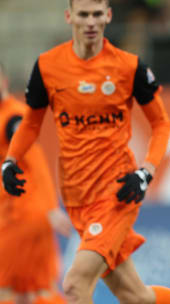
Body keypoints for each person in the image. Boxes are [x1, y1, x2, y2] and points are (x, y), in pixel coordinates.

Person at [1, 1, 170, 303]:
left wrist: (146, 172)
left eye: (96, 14)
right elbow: (31, 123)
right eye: (83, 14)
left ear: (108, 16)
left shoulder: (128, 67)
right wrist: (10, 160)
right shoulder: (48, 66)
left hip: (115, 194)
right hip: (78, 198)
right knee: (136, 297)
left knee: (75, 284)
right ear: (69, 17)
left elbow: (161, 123)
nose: (90, 21)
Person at [0, 64, 71, 304]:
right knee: (27, 292)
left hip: (22, 215)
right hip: (15, 215)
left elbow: (35, 160)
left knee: (18, 290)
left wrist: (50, 207)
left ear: (5, 80)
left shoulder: (12, 118)